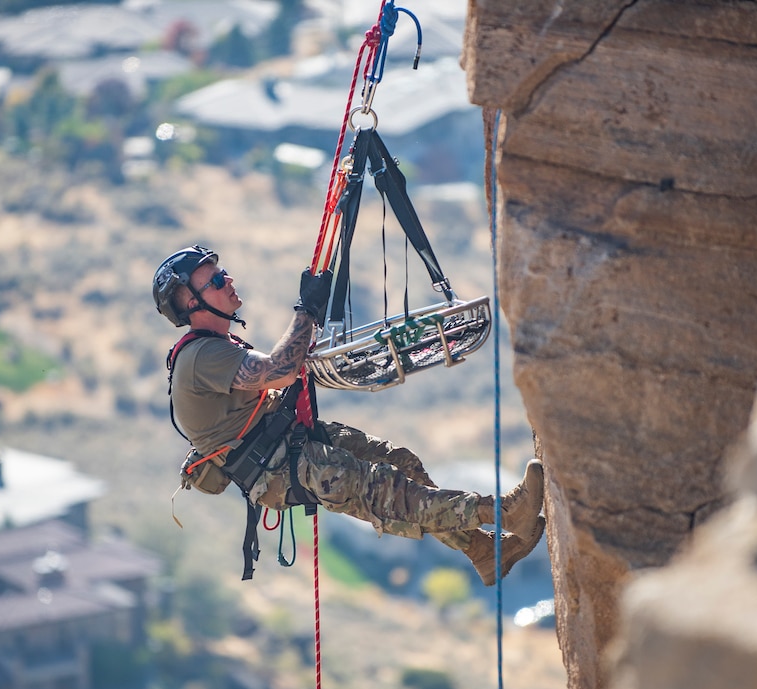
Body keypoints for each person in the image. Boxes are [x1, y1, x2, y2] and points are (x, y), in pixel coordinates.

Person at [154, 244, 545, 585]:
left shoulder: (217, 347)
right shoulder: (201, 357)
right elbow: (279, 370)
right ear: (193, 302)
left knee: (399, 463)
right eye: (217, 280)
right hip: (276, 468)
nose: (229, 279)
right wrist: (306, 309)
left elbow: (276, 374)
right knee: (390, 491)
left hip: (288, 445)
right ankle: (506, 513)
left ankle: (482, 550)